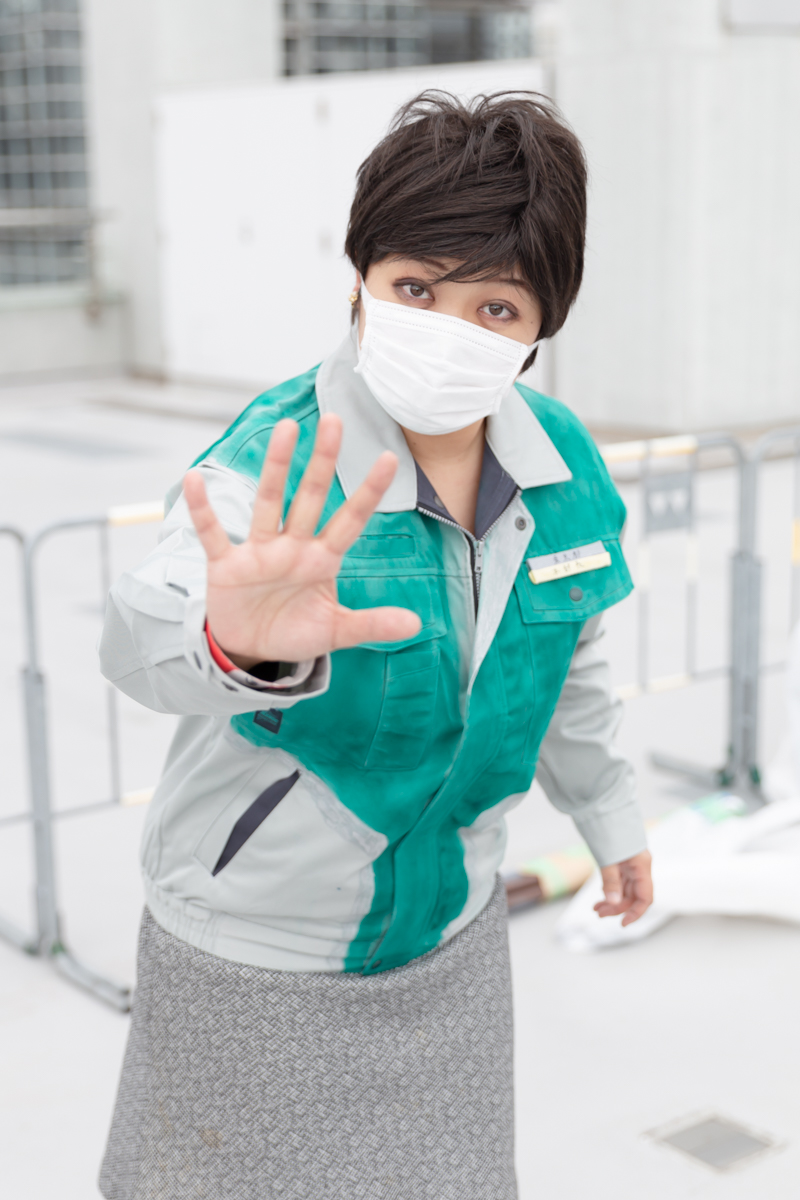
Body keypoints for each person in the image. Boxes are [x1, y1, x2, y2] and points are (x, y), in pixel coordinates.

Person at [98, 91, 653, 1200]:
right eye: (416, 289)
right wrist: (234, 643)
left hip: (452, 924)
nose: (450, 329)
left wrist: (608, 813)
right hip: (259, 945)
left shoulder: (562, 467)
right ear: (357, 278)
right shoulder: (276, 461)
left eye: (496, 307)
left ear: (540, 330)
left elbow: (571, 661)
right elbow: (139, 633)